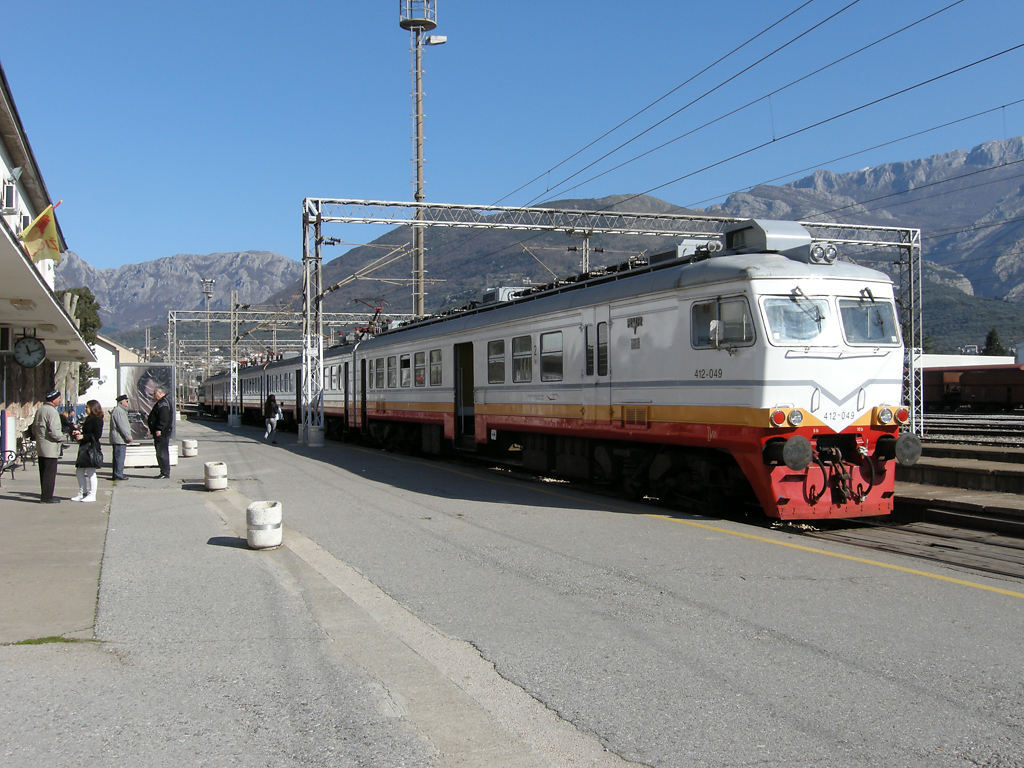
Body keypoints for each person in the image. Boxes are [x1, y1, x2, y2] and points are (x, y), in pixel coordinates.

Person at [32, 389, 65, 503]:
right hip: (50, 447)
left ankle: (45, 495)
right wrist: (62, 438)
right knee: (50, 474)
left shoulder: (40, 410)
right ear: (54, 399)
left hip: (41, 445)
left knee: (43, 472)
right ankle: (47, 497)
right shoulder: (52, 412)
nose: (60, 400)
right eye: (59, 398)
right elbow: (54, 431)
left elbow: (33, 427)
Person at [72, 400, 104, 502]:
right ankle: (82, 492)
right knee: (79, 471)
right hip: (84, 447)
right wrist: (79, 433)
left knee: (91, 471)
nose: (85, 409)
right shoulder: (88, 419)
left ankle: (92, 494)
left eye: (87, 407)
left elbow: (97, 435)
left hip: (91, 448)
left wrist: (84, 436)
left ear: (93, 408)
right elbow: (86, 432)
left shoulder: (97, 420)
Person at [147, 386, 173, 479]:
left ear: (160, 393)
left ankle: (164, 472)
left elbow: (164, 418)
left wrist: (159, 429)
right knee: (161, 452)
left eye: (155, 393)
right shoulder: (162, 402)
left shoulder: (163, 404)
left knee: (162, 453)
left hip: (162, 433)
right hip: (161, 432)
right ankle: (164, 471)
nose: (154, 396)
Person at [109, 393, 133, 480]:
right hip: (119, 439)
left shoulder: (119, 411)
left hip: (117, 438)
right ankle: (118, 474)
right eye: (126, 401)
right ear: (121, 402)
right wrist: (128, 436)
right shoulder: (119, 411)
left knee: (117, 457)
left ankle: (116, 474)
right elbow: (123, 426)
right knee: (119, 457)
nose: (127, 403)